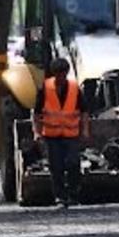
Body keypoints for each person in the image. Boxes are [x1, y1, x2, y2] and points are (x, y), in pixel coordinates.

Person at [32, 57, 87, 208]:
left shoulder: (75, 89)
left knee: (73, 164)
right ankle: (60, 197)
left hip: (71, 134)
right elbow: (36, 113)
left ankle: (74, 195)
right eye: (58, 74)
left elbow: (83, 112)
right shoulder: (45, 89)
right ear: (54, 74)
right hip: (52, 135)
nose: (61, 78)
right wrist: (36, 132)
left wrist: (85, 130)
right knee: (56, 167)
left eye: (63, 74)